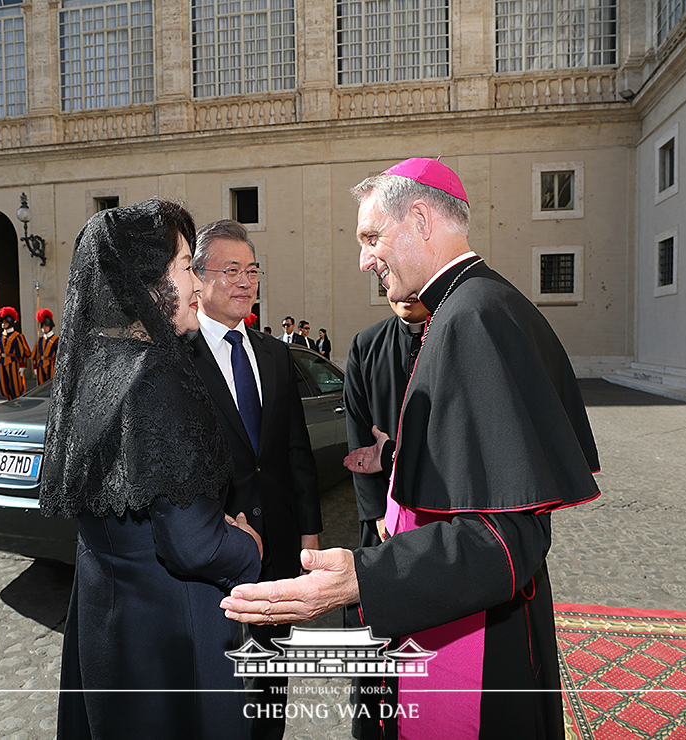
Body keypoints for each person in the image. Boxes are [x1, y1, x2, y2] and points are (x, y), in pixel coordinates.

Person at [221, 158, 602, 740]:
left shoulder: (472, 317)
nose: (364, 259)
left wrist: (361, 580)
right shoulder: (471, 306)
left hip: (479, 647)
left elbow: (510, 536)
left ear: (420, 218)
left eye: (372, 237)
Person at [40, 199, 263, 740]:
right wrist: (248, 546)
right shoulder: (156, 374)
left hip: (107, 627)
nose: (194, 282)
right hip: (173, 638)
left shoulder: (94, 367)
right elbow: (192, 545)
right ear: (147, 280)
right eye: (186, 265)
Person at [186, 219, 321, 740]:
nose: (245, 282)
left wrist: (309, 531)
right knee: (219, 676)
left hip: (281, 547)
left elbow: (295, 451)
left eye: (252, 270)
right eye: (230, 270)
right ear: (196, 279)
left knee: (270, 675)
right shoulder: (179, 356)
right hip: (212, 548)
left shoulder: (274, 353)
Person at [340, 297, 428, 740]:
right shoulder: (366, 345)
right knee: (370, 639)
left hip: (435, 521)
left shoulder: (446, 340)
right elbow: (357, 436)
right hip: (380, 525)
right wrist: (376, 511)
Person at [0, 306, 31, 400]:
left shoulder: (17, 336)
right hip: (2, 362)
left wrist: (22, 365)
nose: (3, 323)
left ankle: (17, 401)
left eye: (5, 321)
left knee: (15, 384)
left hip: (13, 362)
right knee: (4, 384)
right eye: (2, 321)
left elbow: (22, 352)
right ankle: (9, 400)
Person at [33, 308, 59, 384]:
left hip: (51, 365)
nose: (44, 328)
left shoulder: (56, 339)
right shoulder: (40, 340)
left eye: (46, 326)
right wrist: (35, 366)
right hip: (40, 365)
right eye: (42, 326)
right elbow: (36, 355)